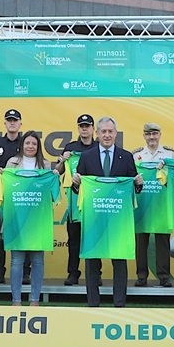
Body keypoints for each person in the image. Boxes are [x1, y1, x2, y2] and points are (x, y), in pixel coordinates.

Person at [72, 117, 142, 307]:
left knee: (119, 260)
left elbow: (133, 186)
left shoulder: (126, 157)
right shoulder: (86, 157)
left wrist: (138, 185)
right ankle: (93, 302)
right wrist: (76, 184)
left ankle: (119, 303)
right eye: (103, 131)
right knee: (92, 260)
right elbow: (78, 188)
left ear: (115, 134)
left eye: (111, 131)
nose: (107, 135)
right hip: (94, 218)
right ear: (97, 133)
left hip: (118, 219)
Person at [3, 131, 50, 306]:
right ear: (22, 145)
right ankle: (16, 300)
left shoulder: (45, 165)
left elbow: (50, 193)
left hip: (38, 219)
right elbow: (5, 189)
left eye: (34, 144)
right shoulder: (12, 163)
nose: (30, 146)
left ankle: (35, 300)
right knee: (17, 260)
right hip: (16, 218)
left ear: (38, 147)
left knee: (38, 260)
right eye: (27, 143)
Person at [132, 122, 174, 288]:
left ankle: (163, 276)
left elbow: (173, 177)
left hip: (161, 203)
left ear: (160, 135)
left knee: (163, 240)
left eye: (155, 134)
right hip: (142, 202)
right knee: (141, 240)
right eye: (148, 134)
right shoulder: (136, 155)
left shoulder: (170, 154)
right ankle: (141, 276)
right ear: (144, 136)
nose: (152, 137)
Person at [0, 109, 25, 285]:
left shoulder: (26, 143)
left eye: (15, 120)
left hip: (21, 197)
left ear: (20, 123)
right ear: (5, 123)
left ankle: (25, 273)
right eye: (9, 120)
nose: (12, 123)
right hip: (1, 197)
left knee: (23, 233)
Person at [58, 114, 97, 285]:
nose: (84, 128)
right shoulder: (70, 147)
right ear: (78, 128)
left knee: (94, 239)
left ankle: (95, 274)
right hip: (74, 203)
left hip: (95, 202)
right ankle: (73, 273)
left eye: (87, 125)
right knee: (73, 240)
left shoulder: (99, 147)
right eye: (81, 125)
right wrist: (63, 160)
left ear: (93, 128)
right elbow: (58, 172)